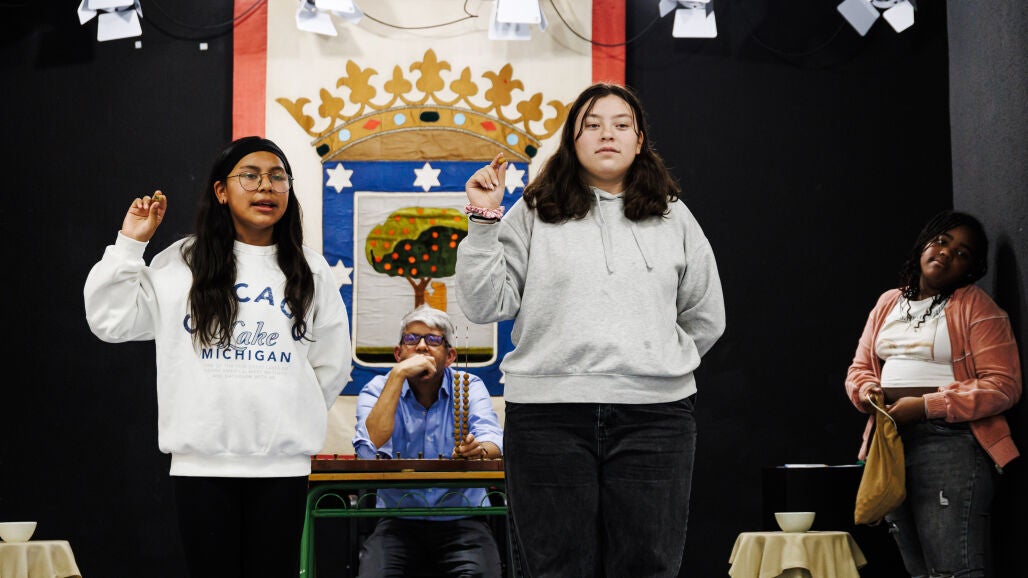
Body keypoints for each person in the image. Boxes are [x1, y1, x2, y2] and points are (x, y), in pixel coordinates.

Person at [456, 82, 726, 577]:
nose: (607, 135)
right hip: (547, 419)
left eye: (621, 125)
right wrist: (483, 220)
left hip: (656, 420)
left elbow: (706, 314)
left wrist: (652, 359)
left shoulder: (673, 216)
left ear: (639, 140)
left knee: (647, 567)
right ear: (571, 140)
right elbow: (483, 304)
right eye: (592, 125)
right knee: (557, 569)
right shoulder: (532, 212)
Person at [83, 136, 352, 577]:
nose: (266, 187)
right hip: (201, 464)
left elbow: (332, 362)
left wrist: (288, 412)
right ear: (221, 191)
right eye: (251, 175)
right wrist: (130, 245)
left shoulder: (310, 269)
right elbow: (109, 321)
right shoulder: (181, 262)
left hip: (281, 467)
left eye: (278, 177)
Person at [845, 210, 1022, 578]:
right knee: (918, 571)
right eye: (941, 241)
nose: (946, 253)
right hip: (891, 438)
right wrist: (866, 391)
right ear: (924, 244)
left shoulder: (976, 307)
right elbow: (859, 369)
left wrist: (927, 406)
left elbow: (1003, 385)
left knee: (952, 570)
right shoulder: (888, 302)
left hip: (950, 439)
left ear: (971, 268)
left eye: (961, 253)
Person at [351, 304, 504, 577]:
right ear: (398, 354)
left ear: (450, 355)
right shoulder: (376, 389)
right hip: (398, 522)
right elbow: (369, 448)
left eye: (433, 340)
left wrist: (478, 450)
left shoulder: (469, 385)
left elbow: (493, 439)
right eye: (411, 339)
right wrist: (398, 375)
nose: (421, 347)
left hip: (463, 519)